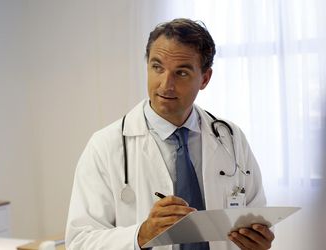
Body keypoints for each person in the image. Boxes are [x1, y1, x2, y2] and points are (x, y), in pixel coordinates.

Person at [65, 18, 275, 250]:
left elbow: (257, 215)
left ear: (204, 78)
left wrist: (258, 241)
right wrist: (141, 235)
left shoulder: (231, 138)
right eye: (157, 67)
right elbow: (80, 242)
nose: (166, 84)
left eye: (181, 73)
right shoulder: (105, 146)